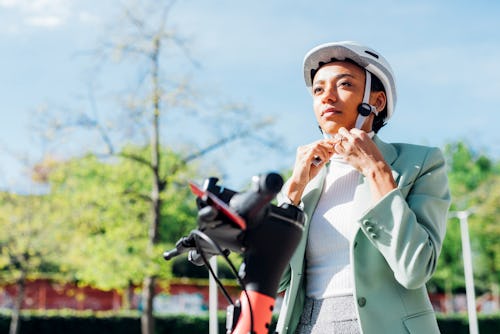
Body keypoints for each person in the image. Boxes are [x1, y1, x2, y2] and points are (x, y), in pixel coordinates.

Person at [275, 41, 451, 334]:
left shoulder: (420, 162)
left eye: (344, 84)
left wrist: (376, 170)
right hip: (309, 325)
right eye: (318, 89)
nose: (327, 97)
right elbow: (274, 279)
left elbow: (415, 269)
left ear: (377, 102)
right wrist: (292, 191)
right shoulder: (306, 179)